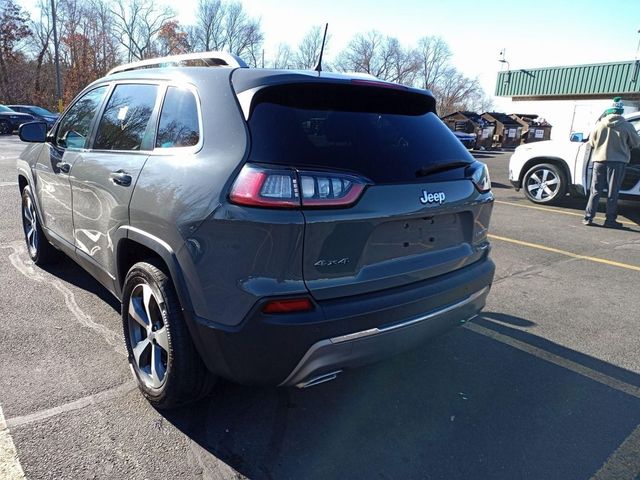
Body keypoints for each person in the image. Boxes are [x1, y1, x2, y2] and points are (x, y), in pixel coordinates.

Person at [583, 97, 640, 228]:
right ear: (620, 111)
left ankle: (588, 217)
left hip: (599, 161)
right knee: (613, 192)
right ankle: (610, 220)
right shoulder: (627, 126)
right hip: (618, 162)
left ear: (609, 110)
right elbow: (635, 143)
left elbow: (591, 143)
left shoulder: (599, 125)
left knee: (595, 191)